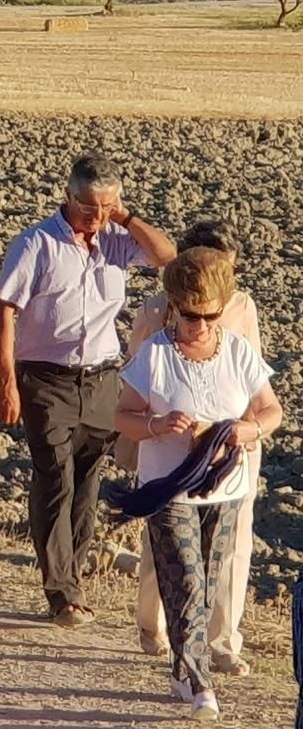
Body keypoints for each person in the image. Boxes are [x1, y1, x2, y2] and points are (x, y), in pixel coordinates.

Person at [0, 154, 175, 625]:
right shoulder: (36, 244)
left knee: (87, 480)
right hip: (46, 378)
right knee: (55, 477)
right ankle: (61, 592)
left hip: (100, 379)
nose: (98, 217)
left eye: (108, 206)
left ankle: (72, 575)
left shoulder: (116, 239)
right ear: (69, 197)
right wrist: (6, 380)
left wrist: (126, 218)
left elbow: (166, 257)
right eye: (91, 207)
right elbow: (4, 310)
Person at [114, 247, 282, 722]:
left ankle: (183, 666)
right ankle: (200, 680)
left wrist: (248, 431)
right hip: (169, 489)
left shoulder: (236, 350)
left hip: (225, 487)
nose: (200, 326)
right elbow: (122, 416)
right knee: (185, 575)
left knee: (206, 582)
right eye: (191, 316)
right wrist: (157, 425)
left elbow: (272, 410)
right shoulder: (156, 354)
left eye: (209, 316)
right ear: (174, 308)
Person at [130, 219, 265, 671]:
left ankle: (222, 641)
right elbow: (134, 384)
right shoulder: (156, 312)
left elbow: (258, 383)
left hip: (233, 447)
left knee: (232, 543)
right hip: (167, 449)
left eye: (227, 273)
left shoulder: (243, 308)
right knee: (166, 543)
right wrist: (153, 428)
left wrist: (245, 431)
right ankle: (154, 625)